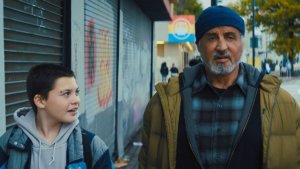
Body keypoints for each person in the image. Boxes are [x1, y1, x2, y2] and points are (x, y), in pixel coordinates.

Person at [139, 5, 300, 169]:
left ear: (241, 44)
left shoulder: (282, 104)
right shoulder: (162, 104)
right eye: (212, 37)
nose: (222, 47)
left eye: (230, 37)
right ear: (198, 45)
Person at [0, 64, 115, 169]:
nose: (76, 100)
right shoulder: (9, 143)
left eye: (76, 92)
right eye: (66, 93)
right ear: (40, 101)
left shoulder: (92, 145)